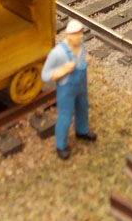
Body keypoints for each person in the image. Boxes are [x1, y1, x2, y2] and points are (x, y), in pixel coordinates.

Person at [41, 19, 95, 160]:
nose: (79, 37)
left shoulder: (81, 47)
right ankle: (61, 145)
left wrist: (85, 60)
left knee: (83, 109)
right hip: (66, 90)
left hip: (81, 87)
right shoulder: (57, 53)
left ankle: (82, 131)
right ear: (68, 36)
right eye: (76, 35)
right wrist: (63, 70)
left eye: (80, 34)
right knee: (65, 117)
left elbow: (81, 61)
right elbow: (45, 75)